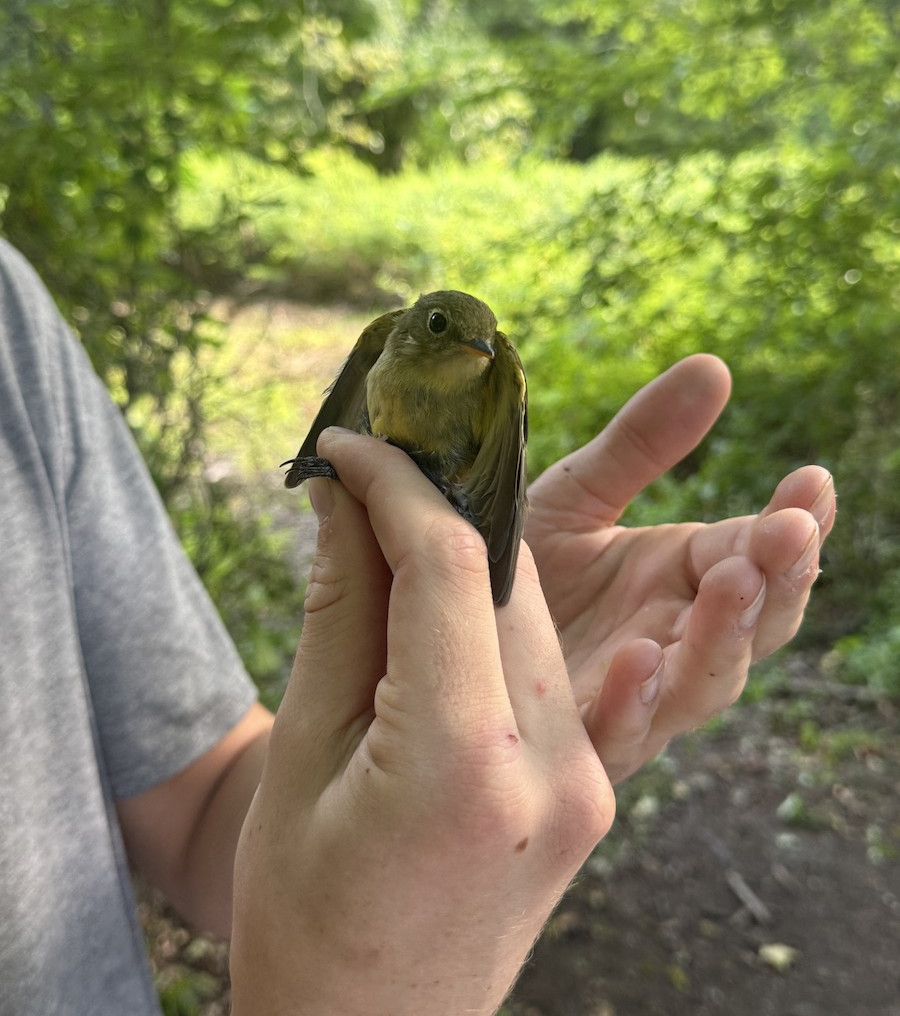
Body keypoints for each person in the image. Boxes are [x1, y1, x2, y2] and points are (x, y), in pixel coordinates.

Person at [0, 238, 835, 1016]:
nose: (475, 349)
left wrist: (410, 724)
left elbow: (203, 804)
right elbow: (344, 411)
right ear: (416, 328)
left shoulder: (17, 335)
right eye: (450, 331)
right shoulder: (386, 338)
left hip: (455, 491)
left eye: (485, 341)